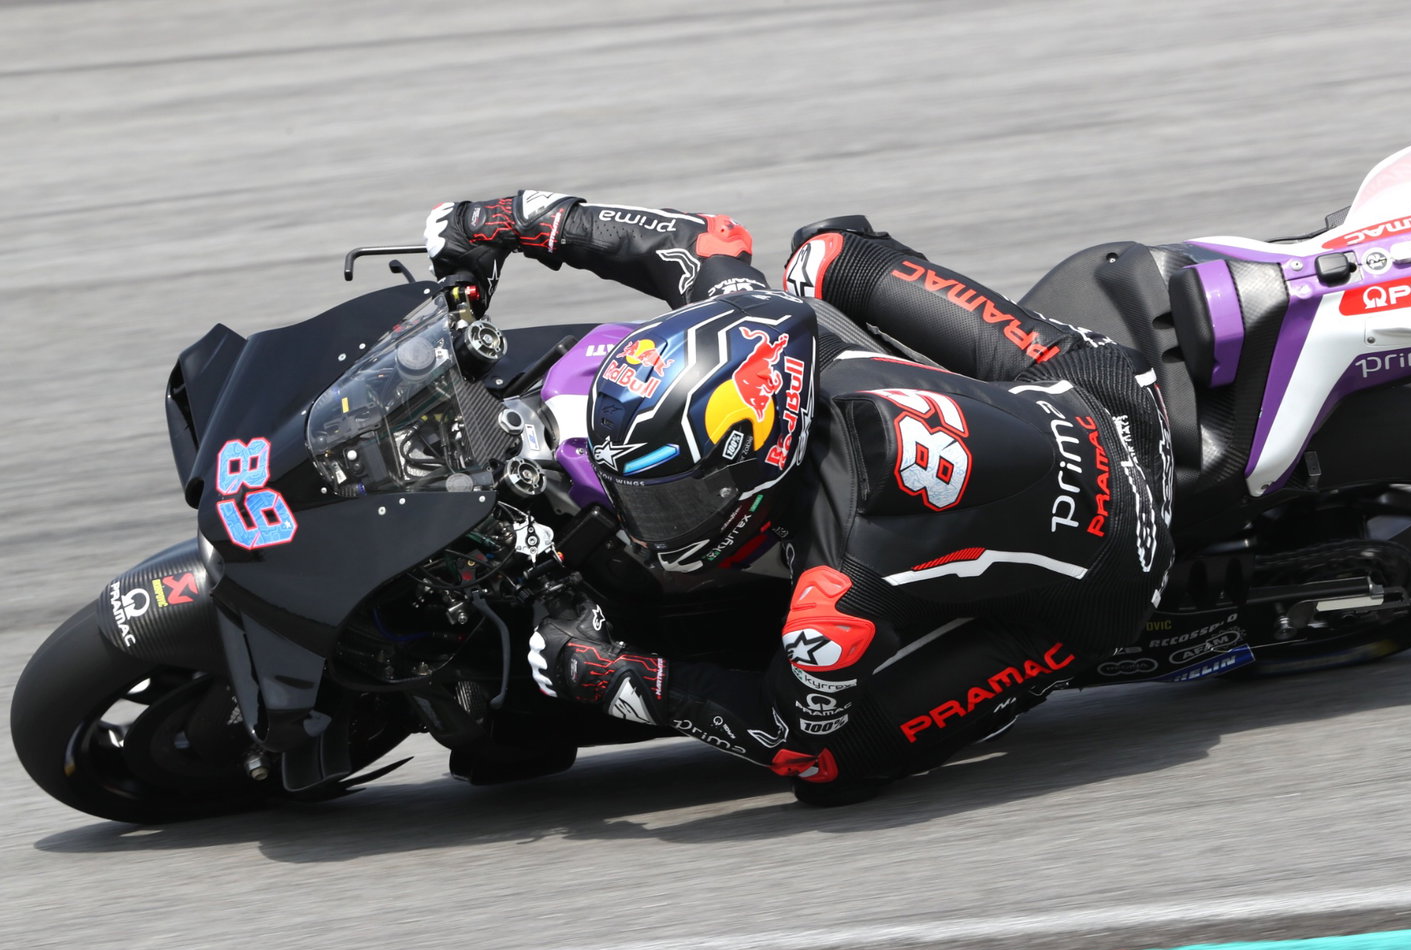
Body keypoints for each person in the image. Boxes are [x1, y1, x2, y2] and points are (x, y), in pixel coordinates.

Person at [424, 191, 1174, 805]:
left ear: (761, 467)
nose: (652, 524)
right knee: (827, 255)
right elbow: (703, 238)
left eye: (674, 501)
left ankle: (1073, 628)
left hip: (1112, 572)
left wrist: (627, 679)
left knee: (836, 769)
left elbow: (796, 738)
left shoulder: (834, 593)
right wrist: (514, 220)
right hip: (1095, 385)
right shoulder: (755, 330)